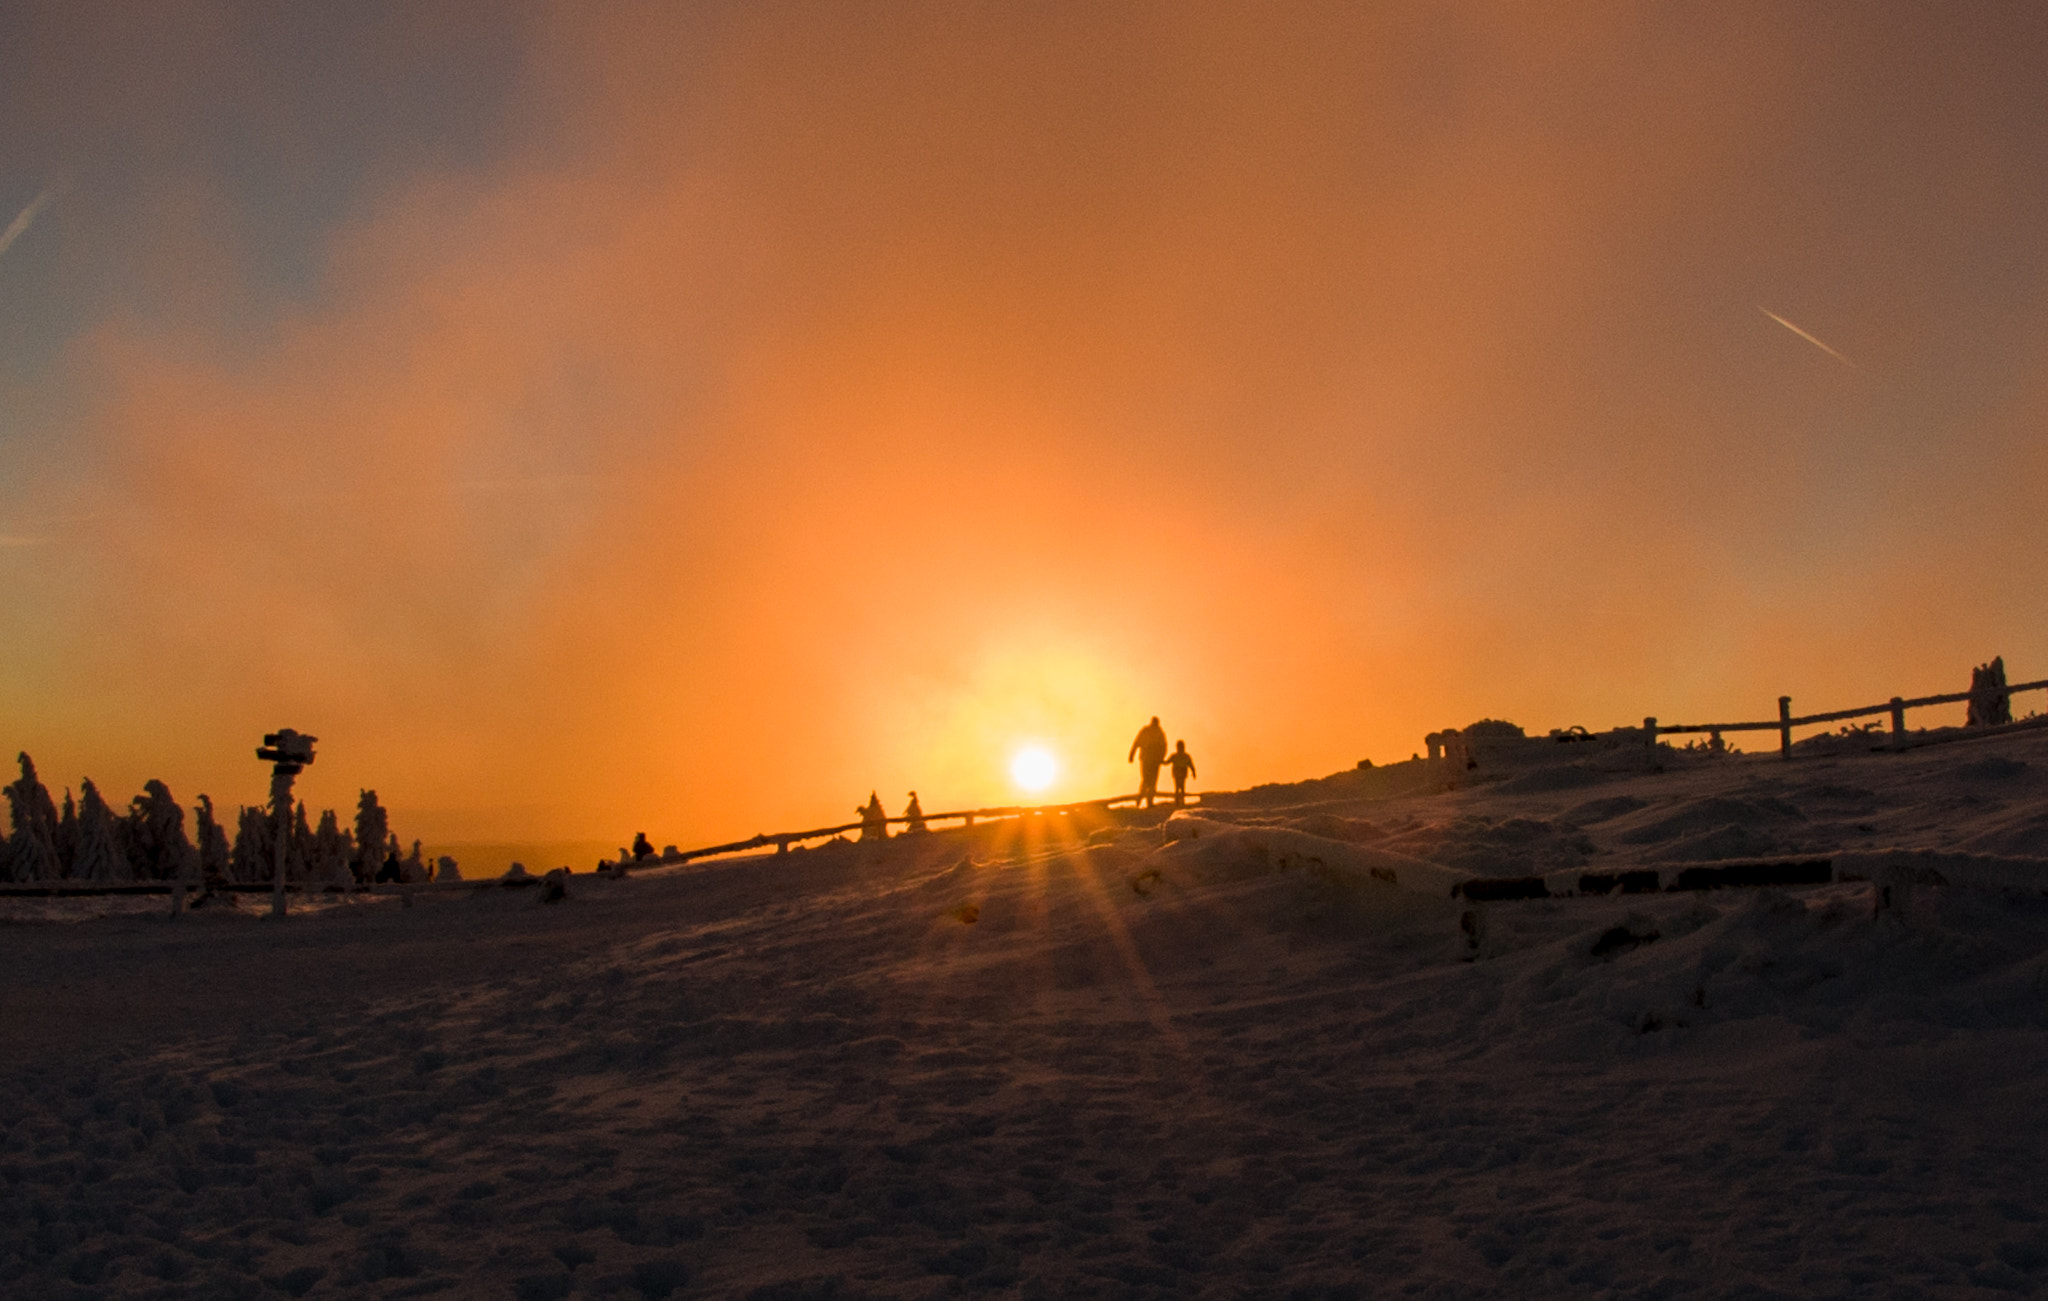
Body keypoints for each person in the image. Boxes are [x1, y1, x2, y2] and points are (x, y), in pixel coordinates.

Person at [1128, 716, 1168, 809]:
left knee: (1152, 781)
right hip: (1146, 759)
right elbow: (1137, 743)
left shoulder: (1159, 733)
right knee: (1146, 779)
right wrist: (1131, 754)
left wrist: (1161, 757)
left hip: (1154, 760)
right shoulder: (1146, 731)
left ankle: (1148, 801)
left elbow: (1164, 746)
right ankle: (1141, 797)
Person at [1167, 740, 1197, 807]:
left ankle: (1181, 801)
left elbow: (1191, 765)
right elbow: (1167, 762)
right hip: (1177, 772)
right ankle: (1177, 801)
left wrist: (1194, 772)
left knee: (1181, 787)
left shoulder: (1185, 756)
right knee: (1178, 787)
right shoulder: (1175, 756)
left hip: (1182, 772)